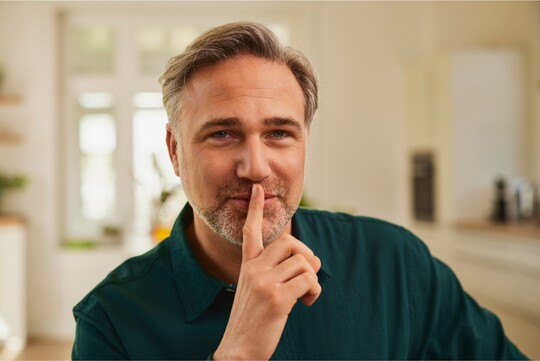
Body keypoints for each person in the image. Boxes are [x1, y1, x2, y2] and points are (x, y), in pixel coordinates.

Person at [72, 21, 528, 360]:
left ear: (305, 143)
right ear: (175, 151)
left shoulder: (395, 265)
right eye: (223, 134)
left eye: (279, 133)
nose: (256, 167)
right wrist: (240, 351)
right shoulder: (111, 322)